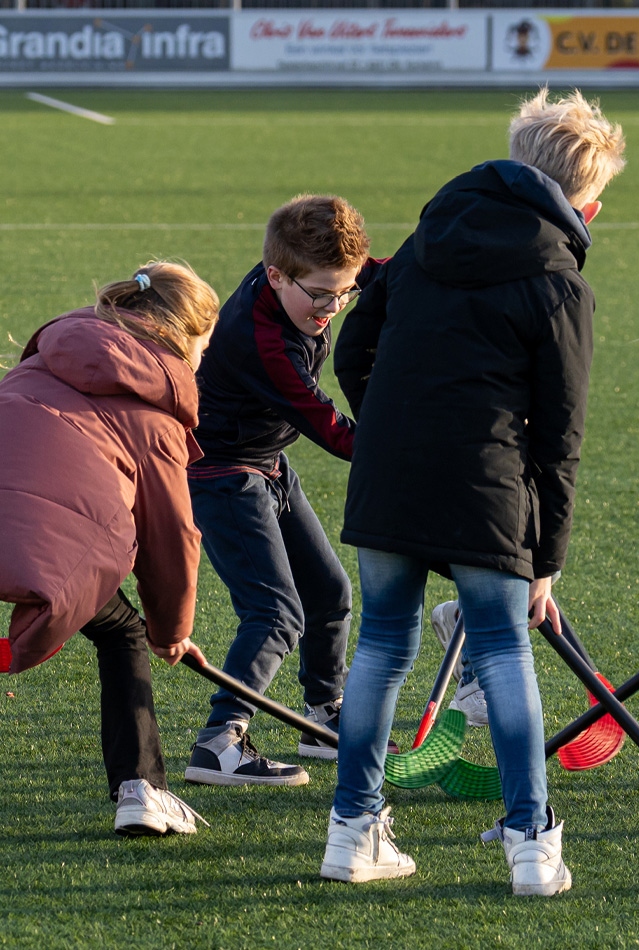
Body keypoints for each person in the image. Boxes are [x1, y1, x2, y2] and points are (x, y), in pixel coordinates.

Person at [321, 88, 625, 894]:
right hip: (486, 485)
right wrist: (546, 560)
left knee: (382, 647)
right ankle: (532, 844)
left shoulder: (425, 240)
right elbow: (560, 439)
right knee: (502, 647)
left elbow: (353, 352)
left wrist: (392, 427)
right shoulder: (561, 279)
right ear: (586, 199)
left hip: (391, 475)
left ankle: (351, 833)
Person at [0, 261, 219, 835]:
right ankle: (142, 792)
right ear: (181, 336)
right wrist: (170, 632)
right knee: (124, 633)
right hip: (46, 536)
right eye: (204, 344)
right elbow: (171, 540)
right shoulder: (156, 417)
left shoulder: (49, 356)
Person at [184, 194, 385, 788]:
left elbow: (381, 270)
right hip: (221, 474)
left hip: (265, 461)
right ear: (275, 276)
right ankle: (219, 742)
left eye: (342, 292)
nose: (332, 307)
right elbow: (327, 425)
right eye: (320, 294)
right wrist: (407, 454)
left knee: (330, 591)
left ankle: (323, 718)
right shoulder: (263, 342)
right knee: (275, 612)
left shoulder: (299, 275)